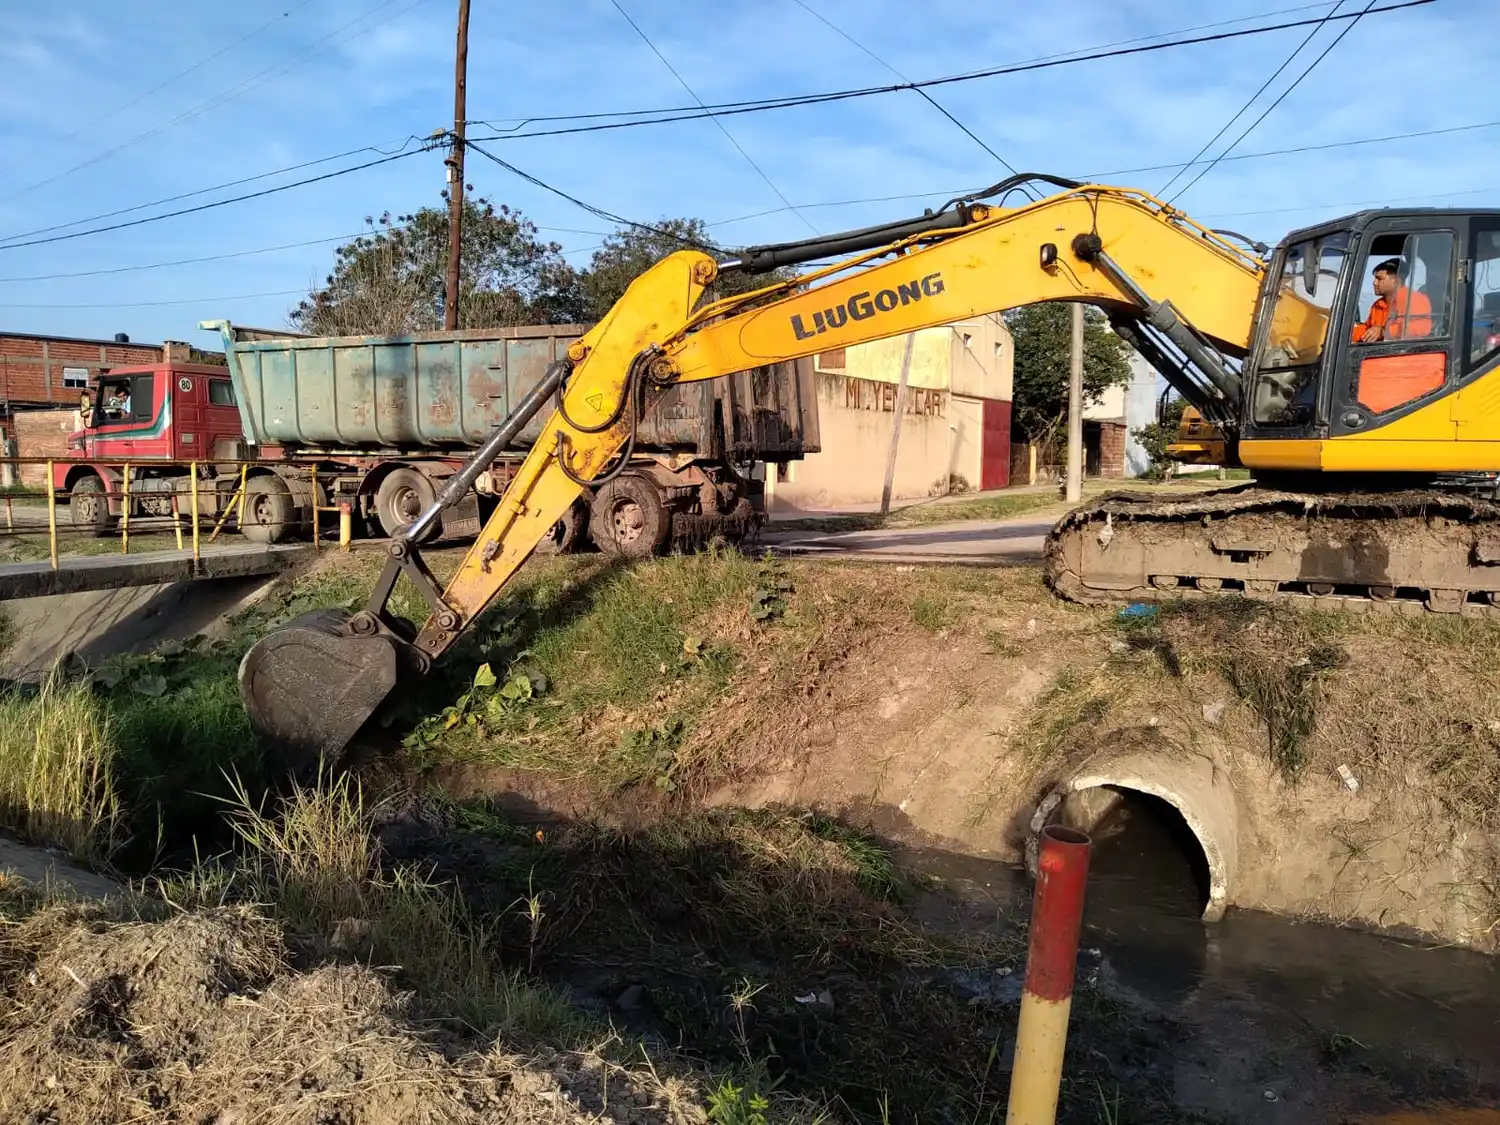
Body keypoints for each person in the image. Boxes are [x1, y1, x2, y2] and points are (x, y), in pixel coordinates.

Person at [1352, 257, 1432, 343]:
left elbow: (1422, 327)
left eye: (1380, 279)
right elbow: (1368, 330)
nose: (1374, 283)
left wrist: (1383, 331)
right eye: (1375, 279)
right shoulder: (1378, 304)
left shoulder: (1415, 299)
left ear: (1397, 280)